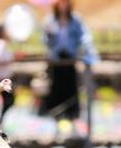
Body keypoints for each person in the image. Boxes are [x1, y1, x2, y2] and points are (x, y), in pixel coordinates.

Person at [39, 0, 98, 134]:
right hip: (56, 61)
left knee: (71, 88)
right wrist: (48, 34)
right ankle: (56, 121)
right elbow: (45, 41)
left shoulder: (75, 20)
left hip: (70, 60)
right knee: (56, 89)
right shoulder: (50, 20)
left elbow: (84, 37)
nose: (63, 5)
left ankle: (72, 119)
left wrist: (86, 50)